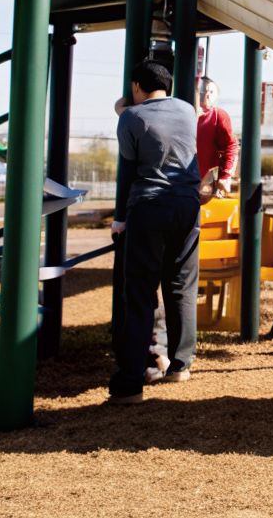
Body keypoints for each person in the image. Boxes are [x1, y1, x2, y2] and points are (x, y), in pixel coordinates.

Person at [108, 59, 211, 403]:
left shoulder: (131, 117)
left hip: (149, 205)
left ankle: (130, 382)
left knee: (138, 293)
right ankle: (180, 365)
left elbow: (130, 156)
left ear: (137, 86)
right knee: (181, 285)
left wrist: (123, 110)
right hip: (187, 204)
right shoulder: (185, 109)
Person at [196, 78, 239, 197]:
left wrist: (225, 176)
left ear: (216, 96)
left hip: (206, 184)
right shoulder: (185, 113)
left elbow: (231, 146)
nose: (207, 95)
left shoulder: (218, 115)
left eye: (211, 92)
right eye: (203, 90)